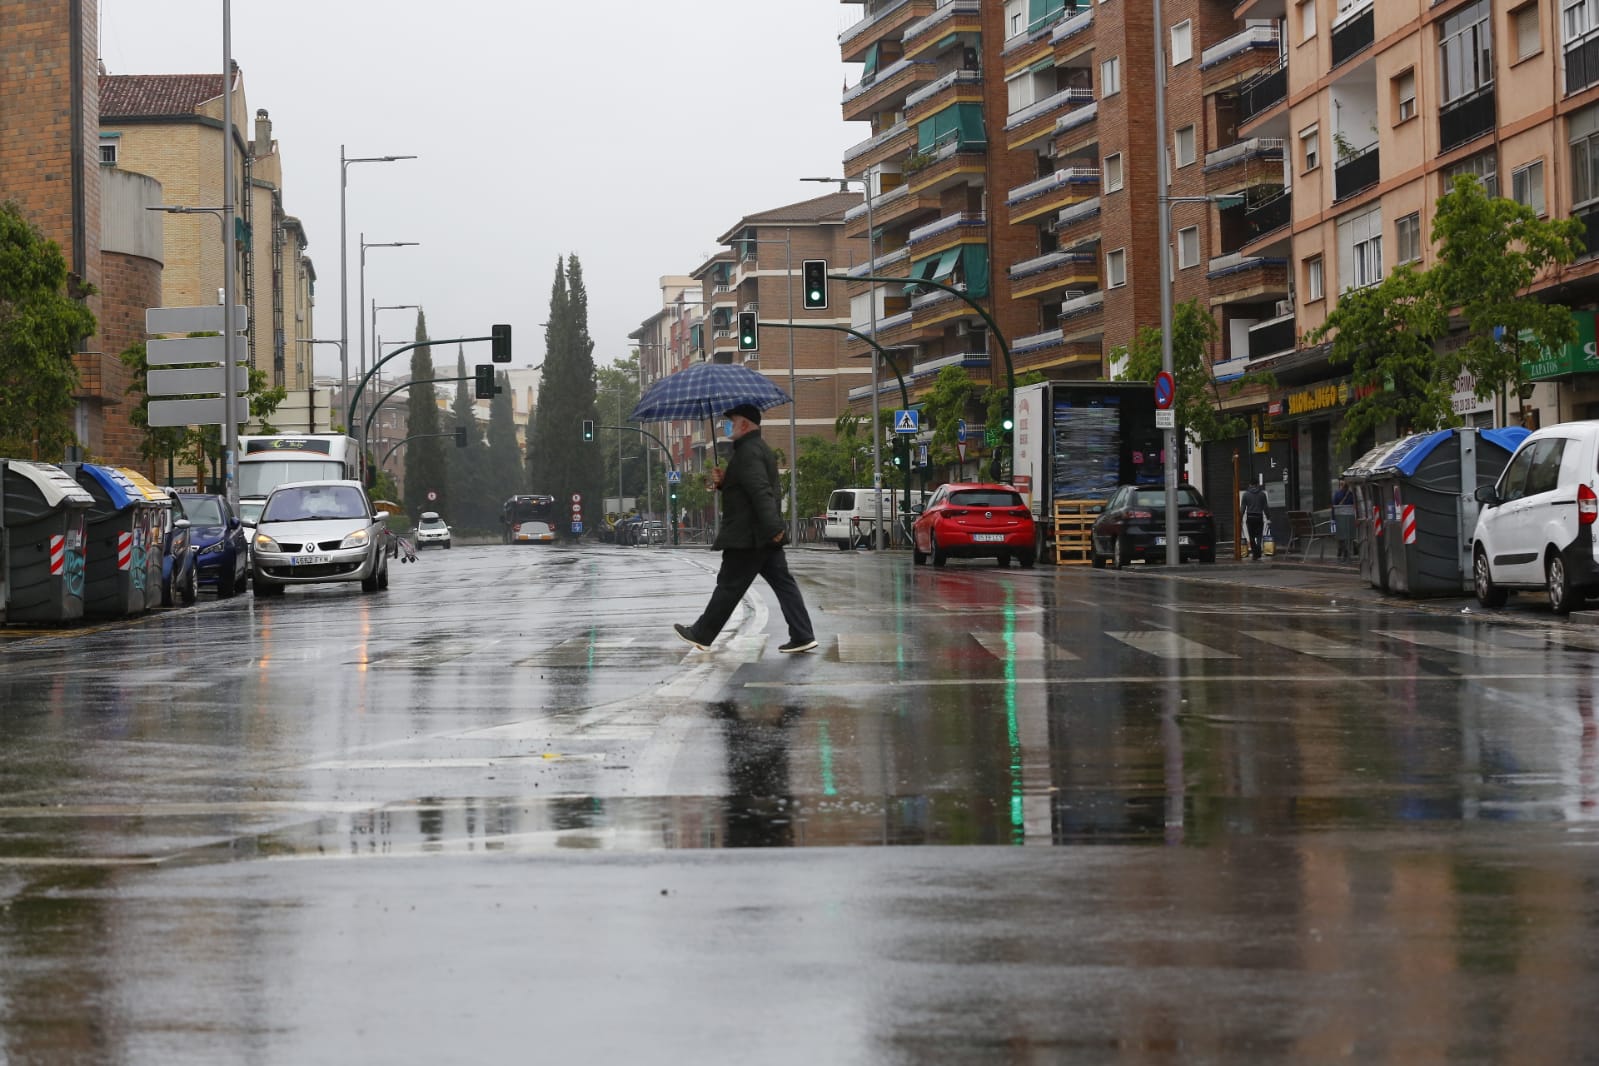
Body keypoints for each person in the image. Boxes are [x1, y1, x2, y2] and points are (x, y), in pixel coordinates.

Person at [675, 404, 817, 654]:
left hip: (748, 536)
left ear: (745, 425)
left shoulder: (748, 452)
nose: (727, 425)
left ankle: (701, 634)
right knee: (784, 583)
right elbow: (746, 488)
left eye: (732, 421)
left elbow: (760, 491)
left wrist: (774, 527)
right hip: (761, 535)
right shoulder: (755, 449)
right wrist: (724, 483)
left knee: (729, 586)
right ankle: (802, 634)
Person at [1242, 479, 1269, 561]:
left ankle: (1255, 554)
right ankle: (1258, 550)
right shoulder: (1262, 494)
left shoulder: (1245, 494)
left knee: (1251, 536)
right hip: (1259, 517)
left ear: (1250, 484)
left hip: (1250, 517)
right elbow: (1265, 508)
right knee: (1259, 535)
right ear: (1257, 484)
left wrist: (1240, 518)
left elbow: (1242, 508)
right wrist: (1269, 517)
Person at [1331, 479, 1356, 560]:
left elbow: (1334, 507)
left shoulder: (1337, 494)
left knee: (1340, 534)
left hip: (1339, 519)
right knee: (1347, 534)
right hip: (1349, 519)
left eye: (1341, 484)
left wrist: (1333, 519)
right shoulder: (1351, 494)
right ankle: (1344, 549)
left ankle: (1342, 549)